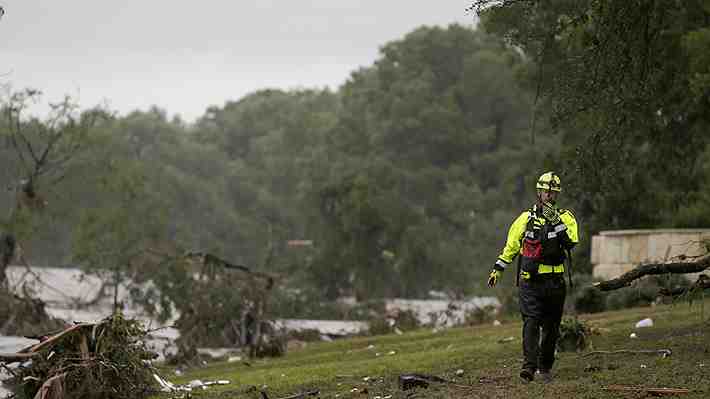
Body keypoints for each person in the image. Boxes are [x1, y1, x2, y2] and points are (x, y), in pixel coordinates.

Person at [487, 172, 579, 383]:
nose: (549, 196)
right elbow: (511, 247)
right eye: (546, 191)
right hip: (530, 282)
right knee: (531, 322)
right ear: (539, 192)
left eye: (553, 192)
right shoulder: (525, 218)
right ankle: (528, 367)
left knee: (551, 327)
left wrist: (556, 222)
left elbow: (571, 242)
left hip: (555, 284)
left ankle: (545, 367)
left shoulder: (566, 217)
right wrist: (498, 269)